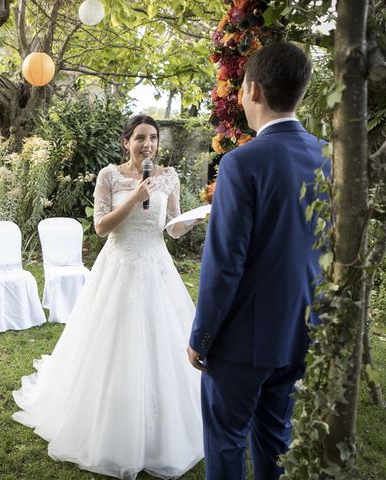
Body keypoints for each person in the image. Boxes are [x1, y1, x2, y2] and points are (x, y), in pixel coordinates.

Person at [12, 115, 204, 479]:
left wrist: (194, 219)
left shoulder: (169, 177)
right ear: (126, 142)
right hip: (118, 265)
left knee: (164, 343)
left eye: (153, 139)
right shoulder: (109, 176)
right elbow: (100, 227)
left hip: (156, 264)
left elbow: (173, 227)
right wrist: (134, 197)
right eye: (140, 138)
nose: (147, 145)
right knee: (111, 343)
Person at [187, 41, 331, 480]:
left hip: (243, 339)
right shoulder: (328, 156)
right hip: (301, 329)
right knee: (275, 436)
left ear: (252, 91)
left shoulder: (240, 163)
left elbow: (225, 264)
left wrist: (202, 336)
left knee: (227, 440)